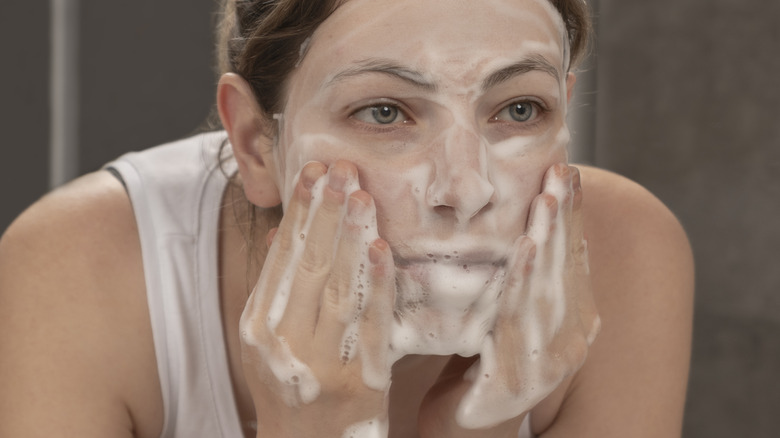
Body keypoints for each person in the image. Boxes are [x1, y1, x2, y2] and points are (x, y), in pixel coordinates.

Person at [0, 0, 694, 436]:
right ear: (256, 142)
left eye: (519, 109)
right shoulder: (79, 271)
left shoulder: (624, 254)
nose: (466, 186)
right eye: (385, 112)